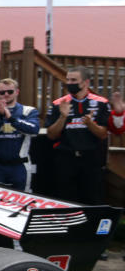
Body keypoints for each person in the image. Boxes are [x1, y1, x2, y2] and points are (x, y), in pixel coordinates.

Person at [45, 66, 110, 204]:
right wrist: (62, 117)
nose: (70, 83)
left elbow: (103, 134)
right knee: (65, 199)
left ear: (86, 82)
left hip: (92, 158)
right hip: (66, 158)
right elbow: (51, 135)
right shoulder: (58, 103)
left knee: (93, 198)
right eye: (68, 80)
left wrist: (90, 124)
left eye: (74, 80)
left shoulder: (101, 103)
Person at [0, 77, 40, 191]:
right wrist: (0, 116)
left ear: (17, 92)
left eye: (10, 91)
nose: (6, 94)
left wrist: (11, 118)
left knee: (21, 199)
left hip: (20, 166)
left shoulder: (28, 111)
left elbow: (34, 130)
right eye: (2, 92)